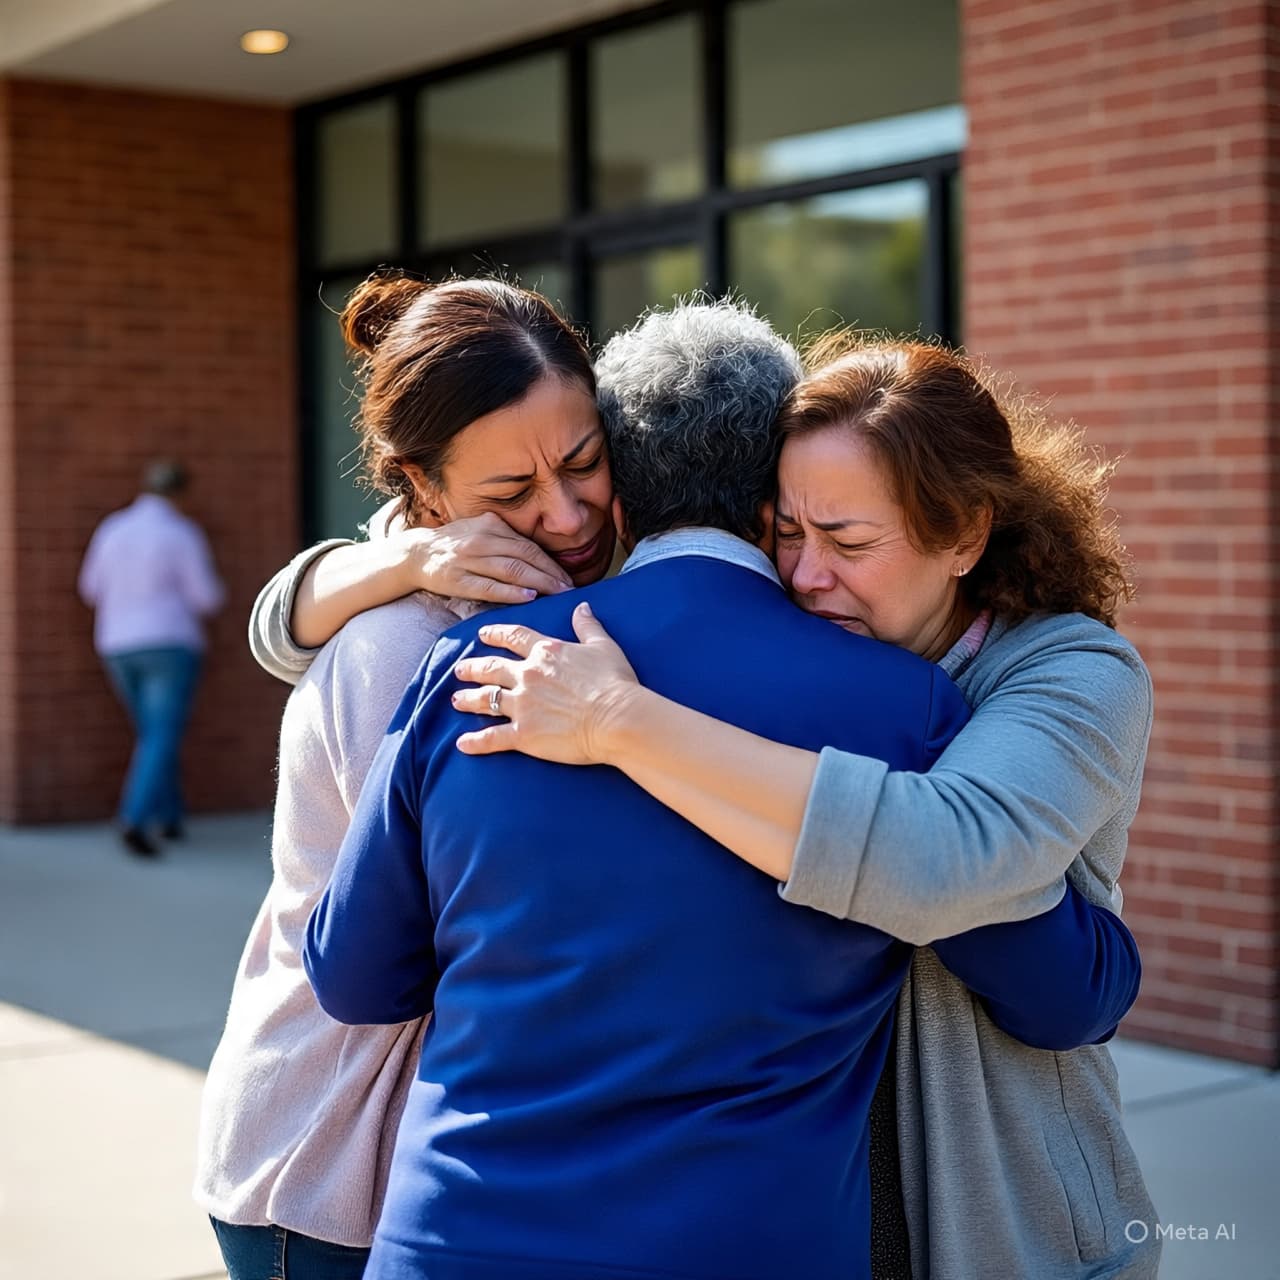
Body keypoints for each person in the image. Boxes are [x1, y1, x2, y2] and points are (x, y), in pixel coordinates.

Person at [304, 301, 1142, 1280]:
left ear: (621, 486)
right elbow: (1065, 988)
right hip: (747, 1238)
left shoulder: (481, 664)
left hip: (460, 1237)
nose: (812, 572)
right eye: (794, 532)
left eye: (844, 537)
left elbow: (355, 976)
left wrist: (617, 729)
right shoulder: (895, 704)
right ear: (764, 496)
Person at [194, 274, 615, 1280]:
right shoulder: (400, 645)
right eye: (510, 495)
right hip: (331, 1164)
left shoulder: (583, 576)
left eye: (584, 461)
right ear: (423, 492)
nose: (564, 512)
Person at [78, 459, 225, 857]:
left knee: (155, 734)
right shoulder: (181, 533)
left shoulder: (113, 528)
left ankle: (170, 816)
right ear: (179, 493)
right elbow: (206, 597)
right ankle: (135, 820)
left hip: (117, 644)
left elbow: (89, 587)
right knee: (161, 734)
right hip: (170, 642)